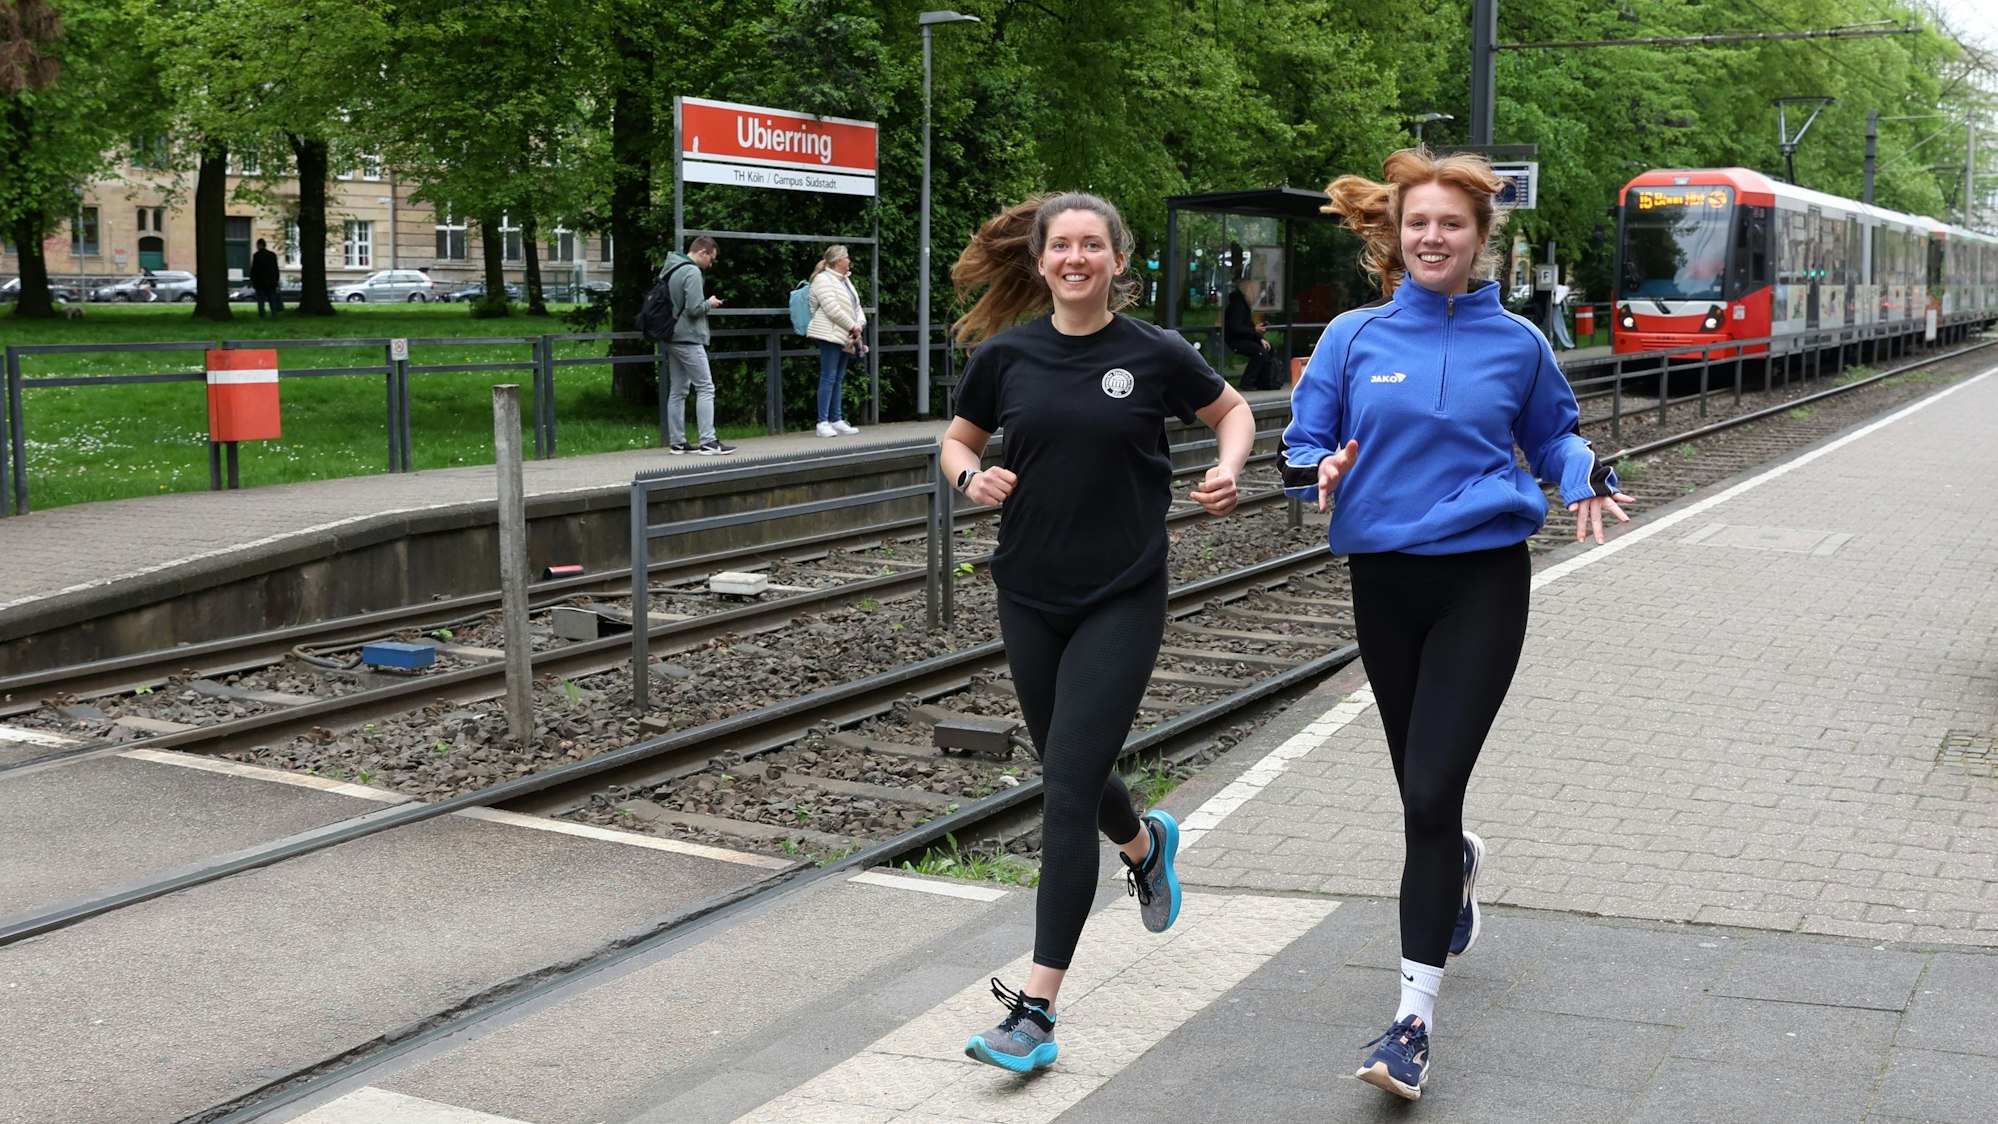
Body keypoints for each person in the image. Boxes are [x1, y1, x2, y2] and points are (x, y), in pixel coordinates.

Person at [1280, 148, 1634, 1102]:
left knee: (1430, 793)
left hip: (1482, 578)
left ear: (1481, 241)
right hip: (1384, 582)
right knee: (1422, 801)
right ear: (1395, 237)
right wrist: (1314, 469)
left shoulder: (1517, 342)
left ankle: (1410, 1025)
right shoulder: (1354, 337)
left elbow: (1553, 433)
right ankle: (1459, 864)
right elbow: (1303, 441)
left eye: (1452, 226)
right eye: (1418, 225)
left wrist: (1583, 472)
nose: (1433, 239)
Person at [941, 192, 1255, 1073]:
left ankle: (1034, 1015)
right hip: (1028, 594)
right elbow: (956, 442)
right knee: (1071, 770)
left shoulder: (1154, 352)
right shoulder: (1006, 356)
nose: (1076, 258)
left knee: (1065, 793)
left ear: (1119, 260)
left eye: (1093, 245)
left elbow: (1231, 412)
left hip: (1123, 592)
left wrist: (1228, 468)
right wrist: (973, 480)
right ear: (1039, 262)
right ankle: (1148, 847)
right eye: (1061, 246)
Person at [658, 236, 734, 455]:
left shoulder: (671, 268)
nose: (711, 264)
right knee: (706, 387)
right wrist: (709, 303)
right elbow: (693, 309)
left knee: (678, 390)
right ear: (702, 252)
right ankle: (708, 441)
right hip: (689, 337)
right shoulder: (691, 272)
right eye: (711, 258)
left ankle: (677, 442)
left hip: (671, 335)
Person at [804, 244, 866, 437]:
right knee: (828, 377)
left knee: (837, 379)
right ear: (839, 261)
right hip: (829, 334)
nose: (849, 260)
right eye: (847, 257)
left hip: (844, 334)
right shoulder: (822, 280)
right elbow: (832, 309)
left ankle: (836, 419)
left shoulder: (845, 280)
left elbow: (856, 305)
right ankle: (822, 422)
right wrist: (852, 325)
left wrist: (860, 323)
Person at [1223, 277, 1278, 389]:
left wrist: (1260, 338)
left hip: (1243, 338)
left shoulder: (1244, 305)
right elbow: (1236, 328)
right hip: (1234, 340)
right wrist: (1255, 331)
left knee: (1268, 348)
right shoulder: (1238, 306)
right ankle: (1247, 382)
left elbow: (1249, 325)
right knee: (1259, 352)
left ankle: (1264, 380)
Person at [250, 238, 282, 319]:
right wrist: (276, 279)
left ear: (259, 245)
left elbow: (254, 269)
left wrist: (253, 280)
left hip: (260, 283)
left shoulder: (257, 256)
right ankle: (274, 314)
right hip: (271, 282)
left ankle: (262, 315)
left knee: (261, 301)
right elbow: (276, 269)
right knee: (272, 300)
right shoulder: (272, 255)